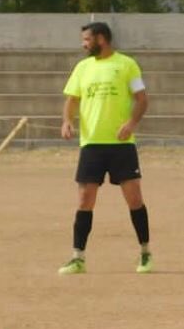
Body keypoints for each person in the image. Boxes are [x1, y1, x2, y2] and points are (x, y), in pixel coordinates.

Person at [58, 22, 153, 274]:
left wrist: (131, 123)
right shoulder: (82, 67)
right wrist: (67, 121)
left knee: (134, 199)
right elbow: (72, 100)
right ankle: (78, 257)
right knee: (84, 200)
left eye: (87, 39)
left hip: (121, 145)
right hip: (91, 145)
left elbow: (142, 99)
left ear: (101, 39)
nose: (83, 44)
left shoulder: (126, 64)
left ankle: (145, 253)